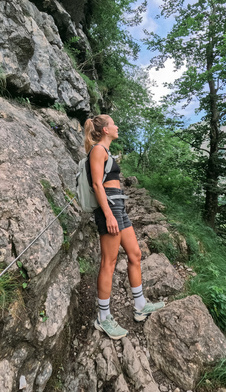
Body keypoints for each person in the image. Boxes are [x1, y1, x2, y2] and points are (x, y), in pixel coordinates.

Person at [84, 115, 165, 340]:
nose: (117, 126)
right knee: (108, 262)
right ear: (105, 130)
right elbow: (97, 184)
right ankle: (103, 318)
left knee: (135, 254)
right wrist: (109, 215)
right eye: (113, 123)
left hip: (119, 206)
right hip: (109, 208)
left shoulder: (106, 151)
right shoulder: (98, 150)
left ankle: (140, 305)